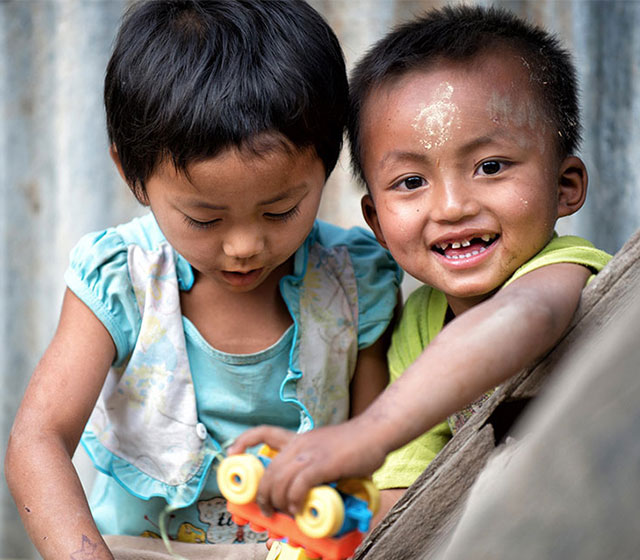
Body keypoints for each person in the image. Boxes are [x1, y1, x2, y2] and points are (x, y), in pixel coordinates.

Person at [4, 1, 402, 558]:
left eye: (280, 210)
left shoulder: (355, 280)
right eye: (205, 219)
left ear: (328, 162)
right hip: (138, 548)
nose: (244, 247)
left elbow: (379, 457)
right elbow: (37, 441)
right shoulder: (124, 279)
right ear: (130, 172)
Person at [229, 4, 612, 525]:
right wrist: (317, 511)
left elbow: (523, 318)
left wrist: (364, 433)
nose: (452, 206)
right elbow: (409, 491)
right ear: (377, 223)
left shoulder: (568, 270)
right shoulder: (418, 326)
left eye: (490, 167)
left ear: (565, 186)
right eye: (411, 182)